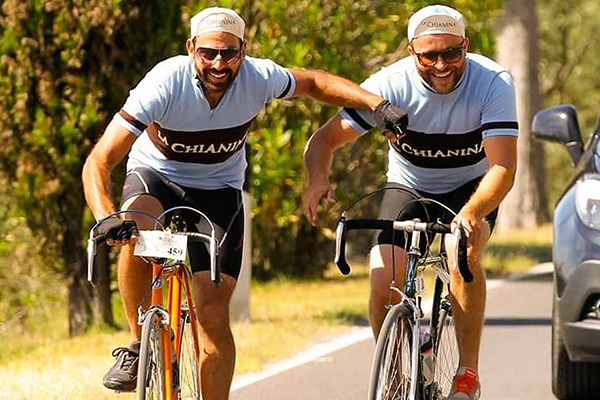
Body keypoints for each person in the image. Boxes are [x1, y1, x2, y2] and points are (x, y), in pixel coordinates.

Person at [81, 6, 407, 400]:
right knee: (136, 235)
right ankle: (137, 345)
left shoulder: (259, 77)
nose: (219, 63)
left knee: (213, 314)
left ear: (243, 50)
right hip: (157, 178)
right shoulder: (164, 83)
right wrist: (106, 217)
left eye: (229, 53)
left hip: (218, 191)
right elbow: (99, 161)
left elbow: (314, 82)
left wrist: (375, 103)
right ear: (191, 49)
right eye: (208, 53)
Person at [302, 5, 518, 400]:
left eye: (452, 54)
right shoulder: (391, 85)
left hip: (473, 187)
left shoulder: (492, 83)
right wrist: (318, 178)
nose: (441, 65)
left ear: (466, 47)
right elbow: (323, 140)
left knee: (461, 252)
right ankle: (395, 371)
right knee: (384, 279)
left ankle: (466, 374)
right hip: (409, 186)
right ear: (411, 51)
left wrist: (470, 214)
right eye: (429, 55)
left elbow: (503, 166)